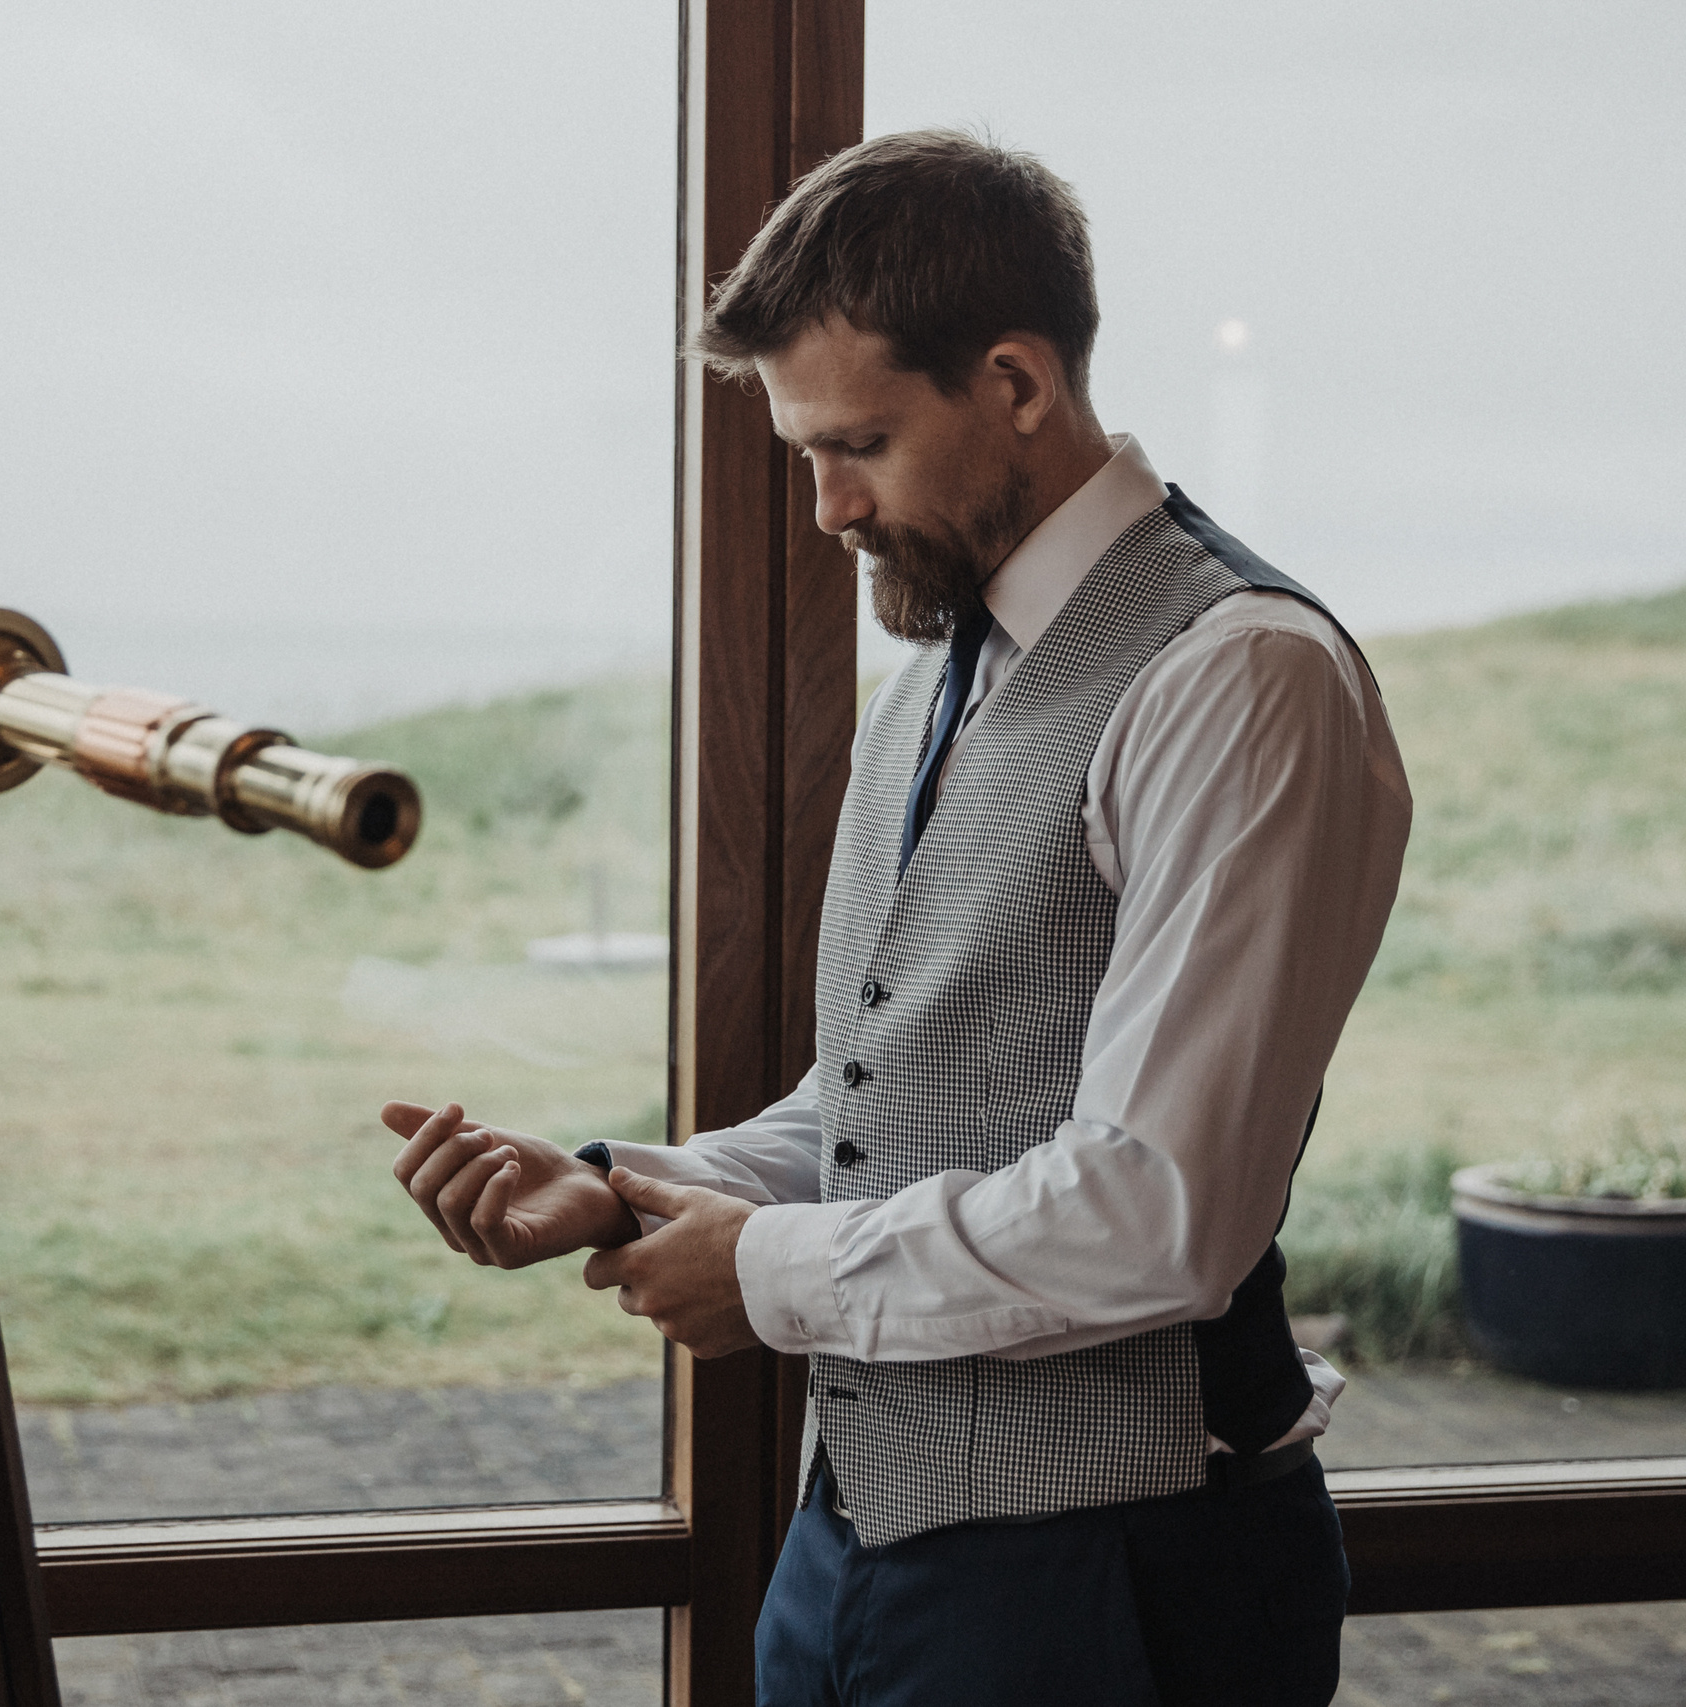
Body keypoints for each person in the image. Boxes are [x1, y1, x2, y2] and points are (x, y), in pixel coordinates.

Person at [379, 130, 1409, 1706]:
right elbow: (897, 1106)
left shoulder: (1237, 674)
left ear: (1015, 383)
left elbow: (1160, 1207)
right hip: (855, 1551)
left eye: (854, 442)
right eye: (801, 451)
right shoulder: (938, 678)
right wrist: (629, 1189)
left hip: (1120, 1575)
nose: (824, 509)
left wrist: (771, 1273)